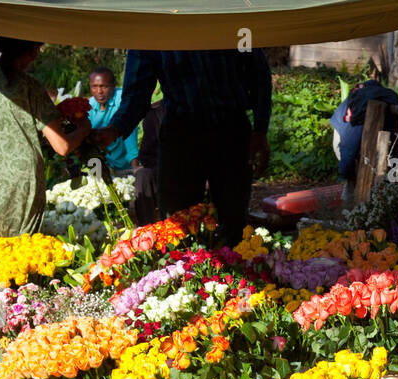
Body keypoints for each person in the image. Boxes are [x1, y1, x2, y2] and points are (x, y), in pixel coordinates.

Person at [0, 37, 90, 316]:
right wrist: (84, 127)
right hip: (20, 182)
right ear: (31, 53)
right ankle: (10, 325)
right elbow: (62, 146)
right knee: (15, 254)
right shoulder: (32, 89)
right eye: (35, 50)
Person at [95, 49, 271, 246]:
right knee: (177, 227)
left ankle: (233, 271)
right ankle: (184, 271)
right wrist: (115, 129)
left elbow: (258, 74)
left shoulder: (228, 20)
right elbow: (136, 94)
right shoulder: (150, 29)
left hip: (231, 129)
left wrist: (260, 130)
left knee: (232, 224)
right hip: (181, 134)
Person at [87, 66, 138, 177]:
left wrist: (135, 168)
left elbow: (129, 133)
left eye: (104, 86)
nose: (99, 91)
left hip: (126, 165)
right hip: (102, 165)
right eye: (94, 87)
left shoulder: (122, 100)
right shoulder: (90, 105)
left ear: (113, 86)